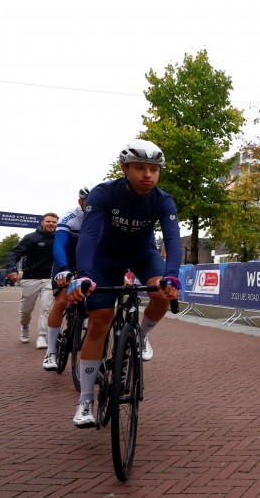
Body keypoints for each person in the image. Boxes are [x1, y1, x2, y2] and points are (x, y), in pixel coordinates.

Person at [67, 140, 181, 428]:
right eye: (140, 168)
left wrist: (173, 274)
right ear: (124, 168)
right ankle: (85, 402)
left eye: (154, 169)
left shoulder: (163, 200)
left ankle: (140, 335)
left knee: (160, 293)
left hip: (143, 255)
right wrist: (84, 274)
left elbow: (171, 240)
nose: (148, 175)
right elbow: (89, 236)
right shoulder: (104, 193)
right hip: (106, 258)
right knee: (98, 323)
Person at [42, 186, 91, 372]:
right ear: (81, 202)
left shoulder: (103, 216)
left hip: (87, 263)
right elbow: (59, 245)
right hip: (66, 262)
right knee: (61, 301)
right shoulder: (70, 216)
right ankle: (51, 351)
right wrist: (63, 269)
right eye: (90, 202)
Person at [5, 212, 58, 347]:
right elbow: (14, 253)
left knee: (47, 308)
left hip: (49, 279)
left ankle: (42, 336)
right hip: (31, 278)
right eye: (48, 221)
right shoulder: (31, 238)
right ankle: (25, 327)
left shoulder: (60, 238)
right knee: (26, 310)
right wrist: (12, 270)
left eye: (54, 222)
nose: (51, 224)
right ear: (42, 223)